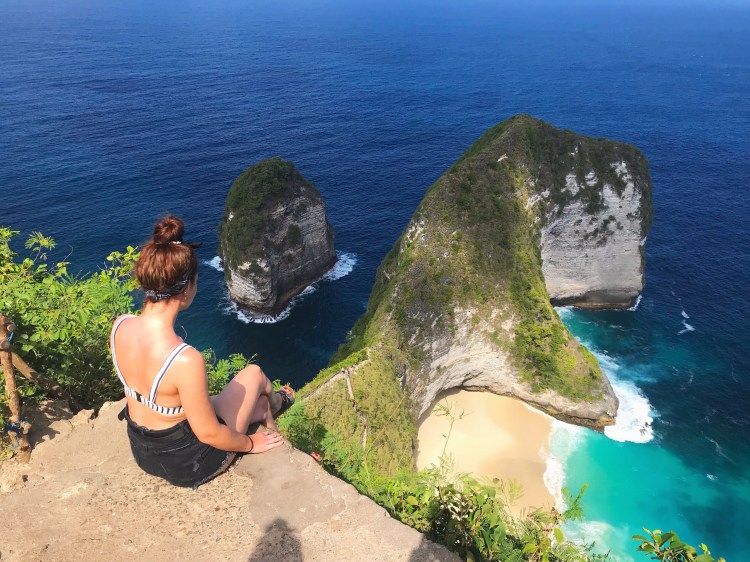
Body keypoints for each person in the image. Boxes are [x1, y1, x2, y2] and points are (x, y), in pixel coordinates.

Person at [110, 216, 294, 488]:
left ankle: (263, 408)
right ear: (186, 290)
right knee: (254, 374)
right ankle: (276, 404)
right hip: (188, 462)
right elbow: (209, 434)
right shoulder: (184, 359)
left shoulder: (120, 325)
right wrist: (250, 443)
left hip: (142, 450)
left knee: (206, 402)